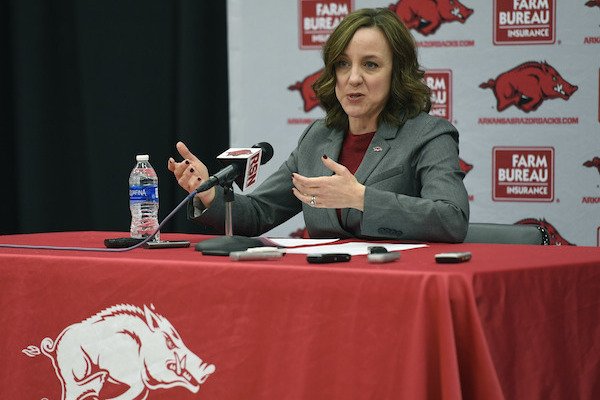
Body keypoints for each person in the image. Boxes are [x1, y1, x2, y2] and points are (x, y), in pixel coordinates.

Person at [168, 7, 469, 243]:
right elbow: (260, 213)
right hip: (324, 288)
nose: (353, 78)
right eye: (342, 64)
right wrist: (208, 194)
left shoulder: (428, 135)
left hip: (398, 289)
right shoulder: (319, 137)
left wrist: (361, 198)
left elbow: (451, 218)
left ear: (397, 73)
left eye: (371, 65)